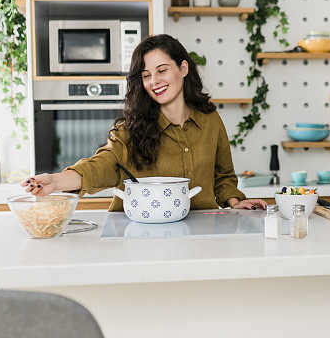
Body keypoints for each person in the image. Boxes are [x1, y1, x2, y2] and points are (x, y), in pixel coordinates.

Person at [23, 34, 267, 212]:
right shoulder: (132, 128)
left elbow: (223, 176)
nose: (154, 81)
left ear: (183, 68)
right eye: (146, 75)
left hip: (202, 232)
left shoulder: (210, 119)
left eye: (162, 70)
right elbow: (103, 165)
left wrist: (236, 202)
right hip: (139, 233)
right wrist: (55, 181)